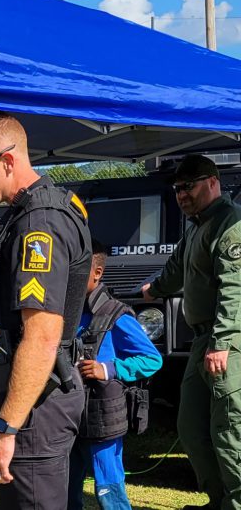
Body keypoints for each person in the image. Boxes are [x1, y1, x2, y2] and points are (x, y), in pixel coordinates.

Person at [0, 110, 91, 510]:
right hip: (32, 401)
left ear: (8, 160)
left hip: (33, 409)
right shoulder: (27, 212)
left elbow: (43, 337)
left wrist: (7, 429)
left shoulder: (39, 223)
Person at [142, 154, 241, 510]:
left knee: (229, 429)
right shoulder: (198, 225)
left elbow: (235, 288)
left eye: (189, 186)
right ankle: (219, 500)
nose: (181, 194)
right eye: (177, 188)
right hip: (203, 340)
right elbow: (175, 269)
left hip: (226, 341)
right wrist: (153, 290)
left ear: (213, 182)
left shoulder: (230, 224)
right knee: (192, 428)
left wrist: (223, 342)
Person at [69, 238, 162, 510]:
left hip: (101, 420)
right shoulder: (65, 314)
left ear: (97, 273)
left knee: (108, 491)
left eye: (78, 268)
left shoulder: (116, 315)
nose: (70, 274)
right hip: (67, 418)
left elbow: (151, 359)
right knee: (65, 490)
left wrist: (108, 369)